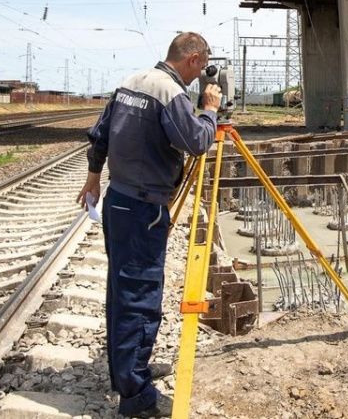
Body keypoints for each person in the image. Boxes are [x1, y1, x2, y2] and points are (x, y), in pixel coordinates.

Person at [77, 32, 223, 418]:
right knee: (139, 298)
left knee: (121, 292)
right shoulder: (170, 93)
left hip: (119, 201)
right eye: (201, 65)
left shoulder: (131, 81)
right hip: (144, 210)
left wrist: (94, 177)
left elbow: (100, 135)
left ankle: (128, 373)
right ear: (192, 59)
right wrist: (209, 109)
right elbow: (196, 142)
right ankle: (135, 395)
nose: (200, 75)